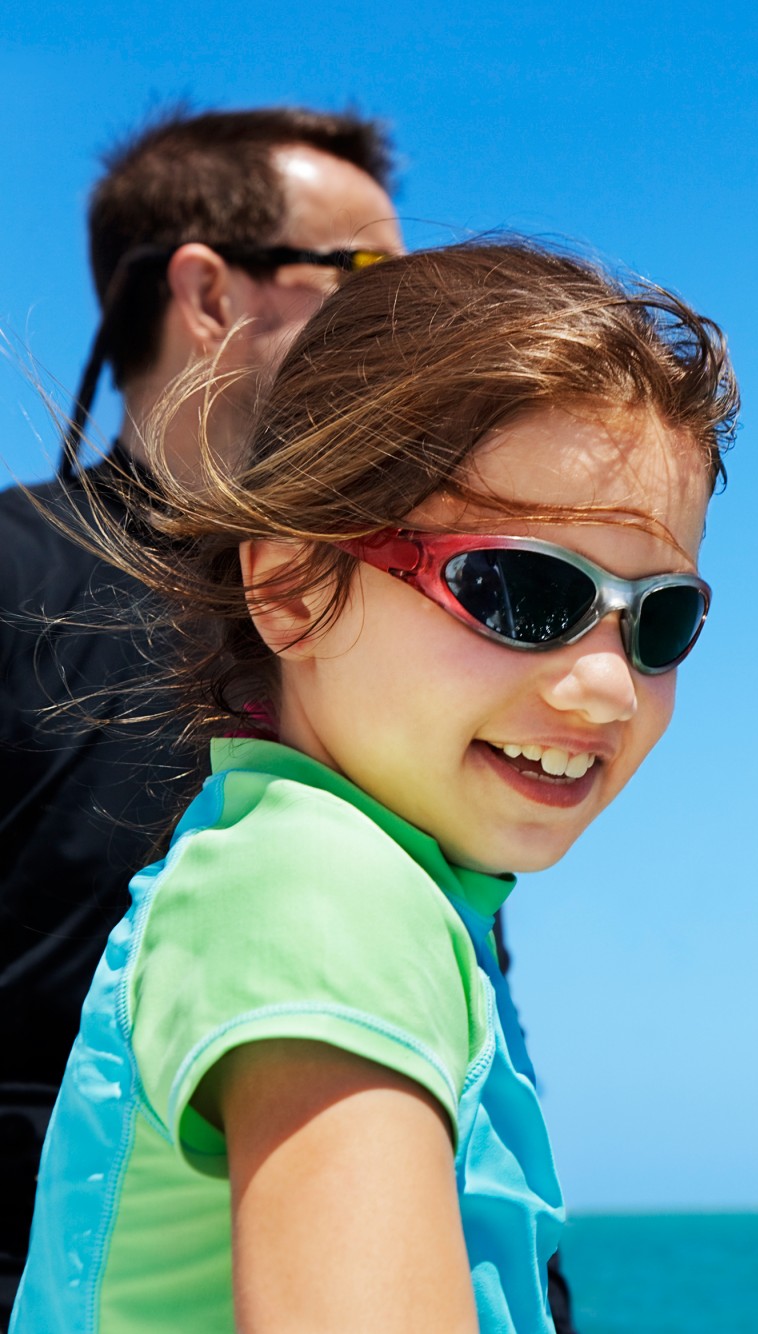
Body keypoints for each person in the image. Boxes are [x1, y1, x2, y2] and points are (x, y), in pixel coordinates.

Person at [9, 240, 738, 1331]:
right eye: (517, 589)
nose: (604, 687)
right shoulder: (323, 898)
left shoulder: (288, 865)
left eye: (657, 619)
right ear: (295, 588)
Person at [0, 106, 403, 1315]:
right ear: (209, 293)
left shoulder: (386, 612)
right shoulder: (12, 576)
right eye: (372, 279)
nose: (408, 328)